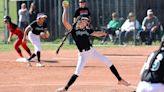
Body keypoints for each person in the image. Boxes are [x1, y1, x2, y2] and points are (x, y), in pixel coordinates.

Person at [56, 2, 130, 92]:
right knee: (77, 72)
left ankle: (120, 79)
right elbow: (64, 21)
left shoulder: (87, 29)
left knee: (108, 62)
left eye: (87, 21)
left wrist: (105, 33)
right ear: (80, 21)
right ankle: (65, 88)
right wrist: (65, 9)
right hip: (83, 54)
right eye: (85, 21)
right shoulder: (73, 29)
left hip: (92, 51)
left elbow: (96, 33)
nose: (87, 22)